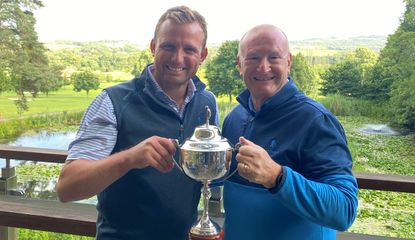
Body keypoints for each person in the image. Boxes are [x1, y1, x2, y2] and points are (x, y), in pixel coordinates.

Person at [56, 6, 219, 240]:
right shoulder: (112, 101)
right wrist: (130, 158)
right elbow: (68, 187)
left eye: (189, 49)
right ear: (153, 47)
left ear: (202, 55)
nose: (178, 58)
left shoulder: (207, 103)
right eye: (168, 46)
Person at [221, 24, 358, 240]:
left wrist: (277, 176)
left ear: (288, 62)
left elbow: (345, 209)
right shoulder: (234, 118)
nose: (263, 67)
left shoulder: (315, 120)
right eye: (253, 58)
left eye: (274, 57)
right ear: (240, 64)